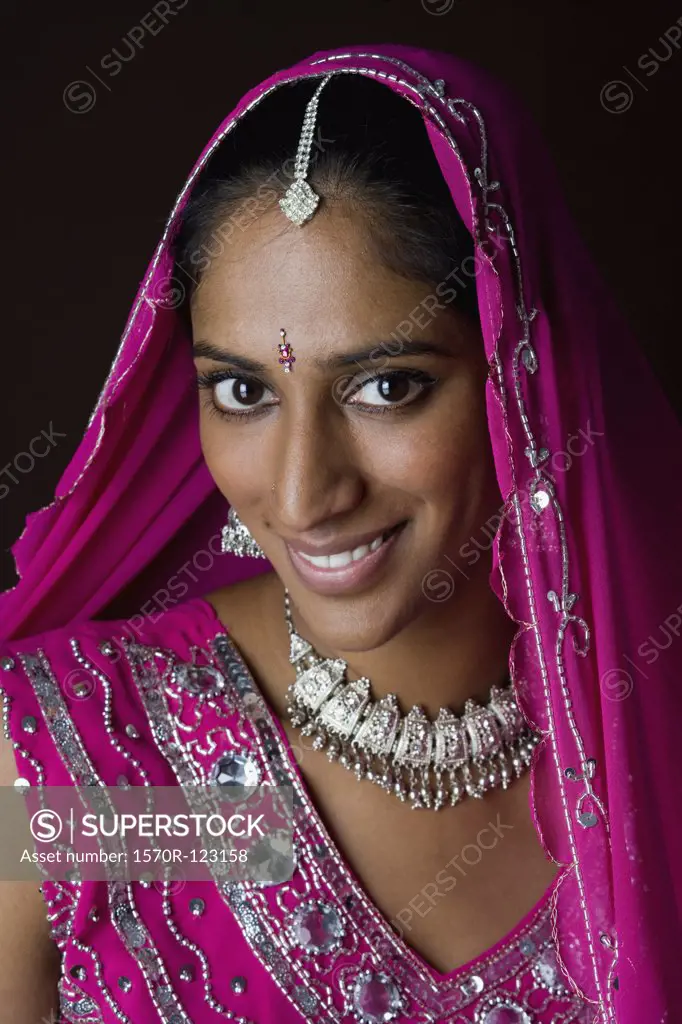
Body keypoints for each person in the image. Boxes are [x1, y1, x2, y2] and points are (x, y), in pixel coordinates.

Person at [0, 42, 680, 1024]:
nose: (303, 490)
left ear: (519, 371)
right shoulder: (96, 775)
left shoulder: (640, 737)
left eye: (386, 387)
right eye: (243, 392)